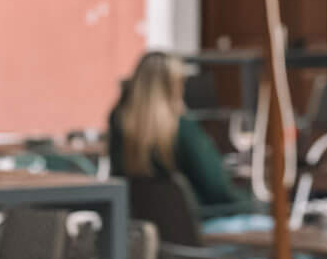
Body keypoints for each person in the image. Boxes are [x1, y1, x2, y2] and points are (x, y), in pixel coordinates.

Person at [108, 51, 255, 226]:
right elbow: (219, 190)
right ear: (173, 86)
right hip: (203, 227)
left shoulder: (121, 128)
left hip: (152, 232)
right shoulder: (182, 130)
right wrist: (254, 205)